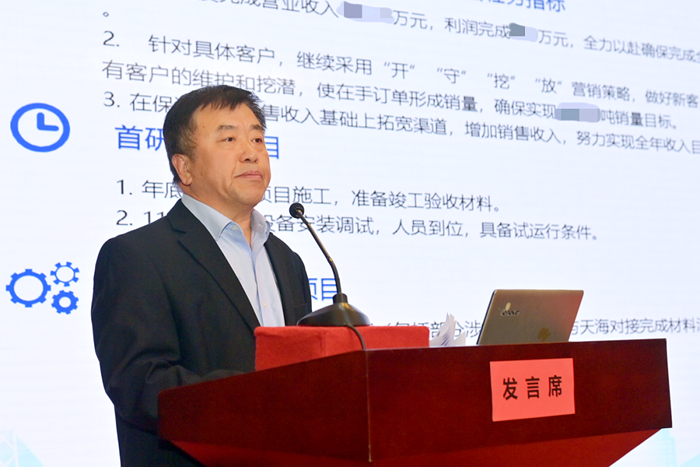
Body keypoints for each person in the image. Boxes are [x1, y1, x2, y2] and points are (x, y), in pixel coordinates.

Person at [91, 85, 312, 466]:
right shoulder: (137, 256)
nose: (251, 152)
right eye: (229, 139)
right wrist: (263, 396)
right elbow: (139, 385)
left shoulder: (287, 260)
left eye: (258, 138)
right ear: (185, 167)